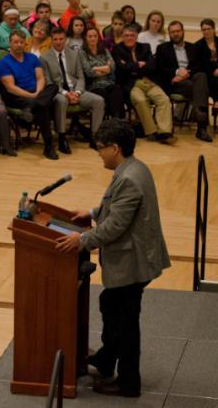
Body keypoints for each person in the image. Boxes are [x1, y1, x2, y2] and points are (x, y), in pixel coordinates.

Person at [56, 119, 170, 398]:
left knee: (126, 324)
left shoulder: (129, 178)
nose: (99, 154)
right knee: (110, 304)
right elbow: (116, 206)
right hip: (135, 257)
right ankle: (106, 360)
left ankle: (128, 383)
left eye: (100, 148)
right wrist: (92, 213)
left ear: (115, 148)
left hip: (133, 262)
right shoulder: (134, 167)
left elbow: (116, 225)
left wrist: (81, 240)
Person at [40, 27, 105, 153]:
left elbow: (80, 77)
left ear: (65, 39)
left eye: (61, 39)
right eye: (55, 39)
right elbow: (49, 82)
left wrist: (77, 92)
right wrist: (66, 93)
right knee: (62, 101)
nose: (58, 42)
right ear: (51, 40)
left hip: (75, 90)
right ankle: (62, 138)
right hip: (58, 92)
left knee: (99, 100)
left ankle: (94, 137)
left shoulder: (74, 54)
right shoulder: (44, 58)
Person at [0, 30, 59, 159]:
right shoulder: (4, 63)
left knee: (54, 87)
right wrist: (31, 96)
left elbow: (40, 78)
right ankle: (48, 146)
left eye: (21, 42)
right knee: (43, 106)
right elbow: (11, 88)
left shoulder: (32, 58)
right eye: (16, 42)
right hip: (16, 96)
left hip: (35, 93)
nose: (19, 45)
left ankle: (32, 107)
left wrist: (37, 93)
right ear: (10, 43)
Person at [113, 25, 174, 144]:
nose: (129, 38)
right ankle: (152, 132)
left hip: (147, 81)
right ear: (122, 37)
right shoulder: (117, 49)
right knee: (140, 100)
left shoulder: (145, 47)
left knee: (164, 99)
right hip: (131, 84)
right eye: (126, 35)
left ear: (137, 36)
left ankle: (165, 133)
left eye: (132, 35)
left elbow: (151, 66)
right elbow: (122, 68)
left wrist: (131, 66)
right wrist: (138, 65)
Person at [155, 21, 212, 142]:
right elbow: (160, 69)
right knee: (200, 88)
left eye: (178, 31)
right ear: (169, 34)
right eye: (172, 32)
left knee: (201, 76)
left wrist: (186, 74)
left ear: (183, 31)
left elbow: (199, 66)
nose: (176, 34)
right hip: (174, 83)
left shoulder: (193, 47)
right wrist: (177, 72)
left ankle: (200, 120)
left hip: (190, 79)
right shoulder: (162, 48)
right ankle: (202, 126)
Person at [80, 26, 125, 121]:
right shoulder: (82, 52)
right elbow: (89, 72)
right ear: (85, 38)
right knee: (104, 95)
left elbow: (113, 67)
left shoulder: (103, 49)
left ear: (98, 37)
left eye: (95, 36)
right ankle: (109, 122)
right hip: (93, 85)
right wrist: (105, 68)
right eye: (90, 36)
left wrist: (96, 68)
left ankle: (116, 120)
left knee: (117, 90)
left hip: (108, 83)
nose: (93, 38)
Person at [194, 19, 218, 115]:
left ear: (214, 29)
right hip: (207, 76)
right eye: (204, 29)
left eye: (209, 29)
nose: (206, 31)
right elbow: (199, 66)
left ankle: (216, 103)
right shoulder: (198, 46)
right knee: (215, 79)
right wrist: (213, 71)